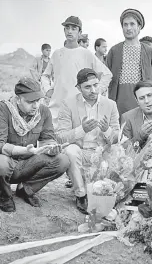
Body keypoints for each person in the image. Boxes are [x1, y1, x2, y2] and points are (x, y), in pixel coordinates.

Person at [0, 77, 70, 212]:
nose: (35, 106)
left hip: (28, 163)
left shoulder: (43, 111)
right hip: (7, 163)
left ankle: (25, 189)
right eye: (30, 102)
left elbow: (48, 138)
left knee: (62, 160)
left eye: (38, 101)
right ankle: (5, 194)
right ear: (18, 99)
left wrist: (51, 148)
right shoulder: (2, 109)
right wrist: (24, 150)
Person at [57, 68, 120, 214]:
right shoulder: (68, 104)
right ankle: (81, 194)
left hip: (102, 154)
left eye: (95, 85)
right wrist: (82, 130)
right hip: (81, 152)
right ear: (78, 88)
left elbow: (116, 138)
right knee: (69, 151)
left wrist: (106, 130)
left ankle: (107, 192)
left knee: (118, 153)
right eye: (87, 87)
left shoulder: (110, 104)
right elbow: (61, 137)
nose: (93, 90)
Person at [41, 16, 112, 129]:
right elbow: (45, 75)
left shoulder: (86, 54)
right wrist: (48, 89)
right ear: (64, 31)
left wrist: (96, 91)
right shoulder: (57, 54)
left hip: (80, 107)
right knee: (56, 140)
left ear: (80, 32)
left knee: (77, 141)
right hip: (57, 106)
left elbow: (107, 74)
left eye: (74, 28)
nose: (70, 31)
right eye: (67, 28)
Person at [106, 8, 152, 119]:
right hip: (119, 101)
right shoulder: (114, 51)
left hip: (143, 100)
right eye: (125, 25)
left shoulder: (149, 52)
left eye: (132, 24)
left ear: (139, 27)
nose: (128, 28)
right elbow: (107, 78)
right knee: (122, 131)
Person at [122, 81, 152, 149]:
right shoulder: (127, 117)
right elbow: (125, 149)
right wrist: (140, 135)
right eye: (141, 98)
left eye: (149, 95)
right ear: (137, 101)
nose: (146, 101)